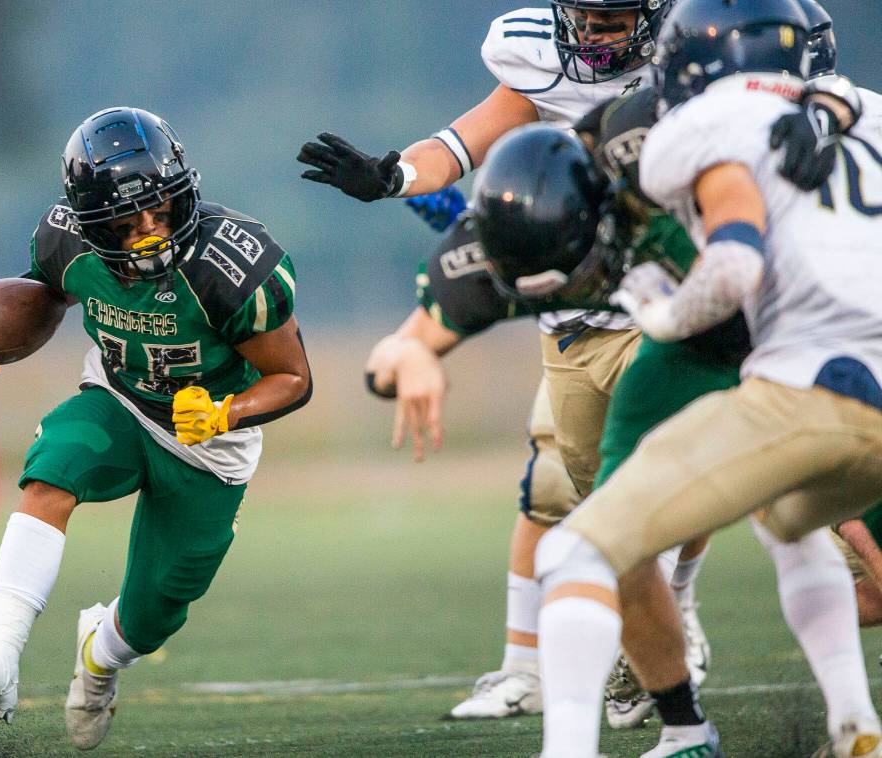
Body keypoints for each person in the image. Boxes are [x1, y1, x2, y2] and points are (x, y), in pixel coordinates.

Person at [302, 1, 712, 724]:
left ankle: (681, 619)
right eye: (582, 16)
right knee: (588, 502)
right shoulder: (535, 58)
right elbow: (459, 146)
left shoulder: (696, 51)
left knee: (693, 472)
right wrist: (393, 176)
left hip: (671, 295)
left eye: (612, 18)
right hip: (572, 308)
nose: (592, 33)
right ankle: (626, 654)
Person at [532, 0, 882, 755]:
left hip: (809, 383)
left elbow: (730, 266)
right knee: (789, 521)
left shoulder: (693, 127)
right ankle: (856, 723)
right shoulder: (866, 111)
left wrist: (660, 313)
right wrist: (829, 101)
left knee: (579, 552)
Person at [0, 107, 312, 751]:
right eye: (126, 219)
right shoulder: (66, 241)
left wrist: (228, 411)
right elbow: (41, 295)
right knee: (53, 467)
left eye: (161, 210)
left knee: (154, 610)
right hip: (122, 402)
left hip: (208, 446)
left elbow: (294, 377)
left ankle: (101, 658)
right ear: (89, 222)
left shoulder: (233, 267)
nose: (149, 231)